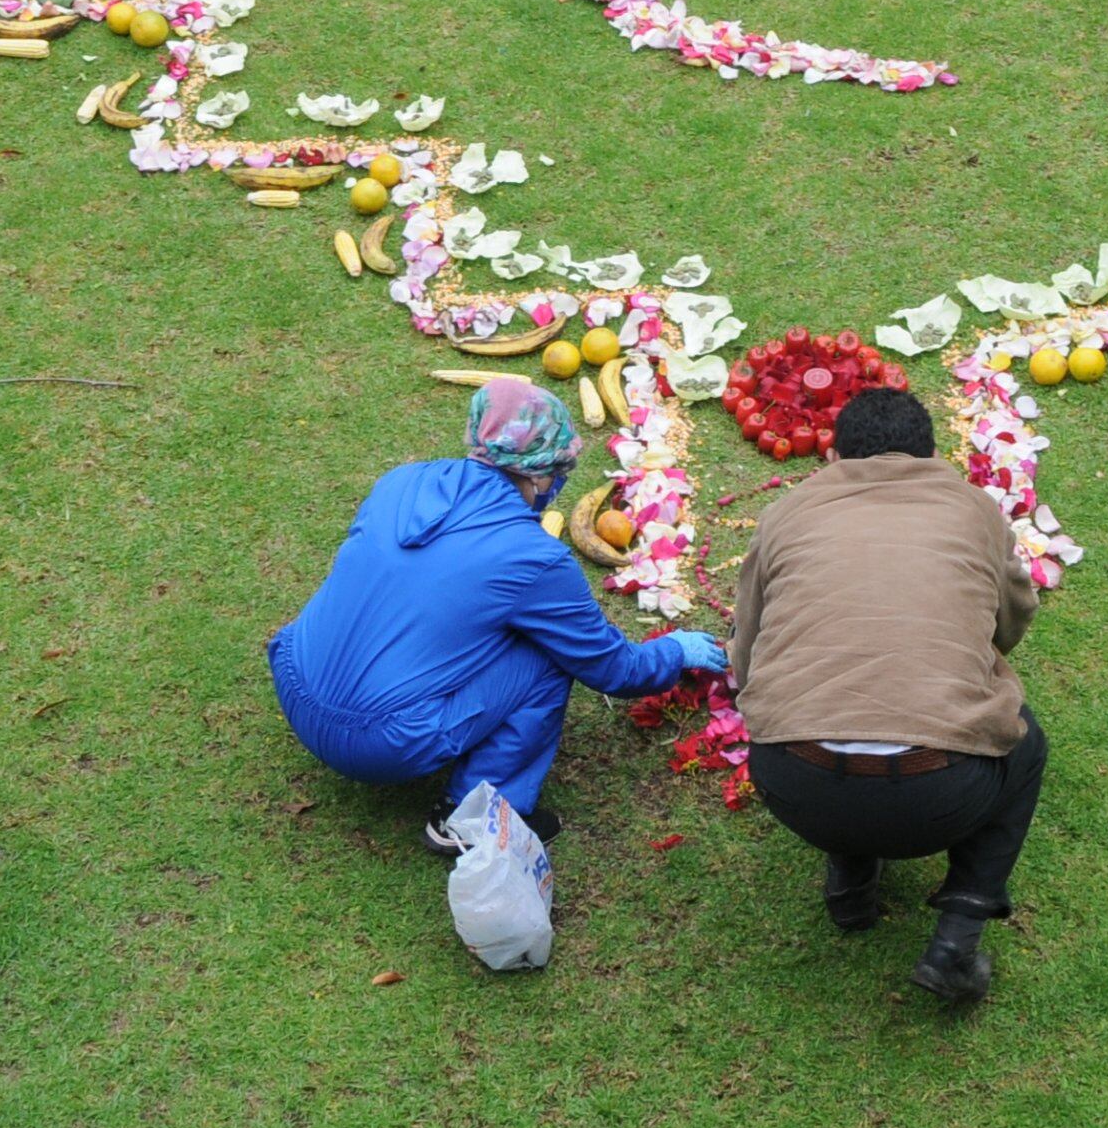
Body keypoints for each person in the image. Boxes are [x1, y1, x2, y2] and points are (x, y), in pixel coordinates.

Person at [266, 378, 719, 838]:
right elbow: (612, 669)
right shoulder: (535, 558)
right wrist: (676, 652)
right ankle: (470, 817)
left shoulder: (400, 482)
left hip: (293, 677)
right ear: (543, 475)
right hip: (376, 742)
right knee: (549, 656)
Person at [726, 387, 1045, 1005]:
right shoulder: (974, 509)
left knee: (835, 708)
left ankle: (849, 882)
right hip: (940, 795)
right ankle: (957, 939)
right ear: (930, 454)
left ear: (836, 457)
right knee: (1026, 747)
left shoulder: (787, 513)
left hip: (795, 784)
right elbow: (1009, 625)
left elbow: (747, 648)